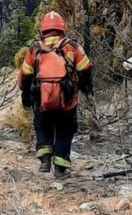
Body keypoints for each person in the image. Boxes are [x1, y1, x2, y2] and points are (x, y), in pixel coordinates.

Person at [20, 11, 94, 179]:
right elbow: (86, 69)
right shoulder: (72, 47)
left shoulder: (34, 49)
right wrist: (84, 88)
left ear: (42, 30)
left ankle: (45, 157)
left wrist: (26, 97)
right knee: (65, 130)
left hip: (42, 99)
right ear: (62, 29)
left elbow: (25, 74)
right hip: (67, 100)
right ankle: (60, 168)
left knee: (42, 126)